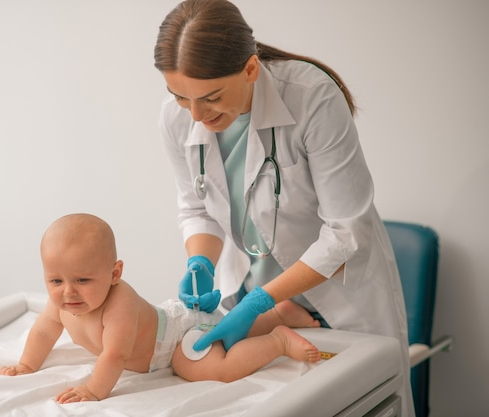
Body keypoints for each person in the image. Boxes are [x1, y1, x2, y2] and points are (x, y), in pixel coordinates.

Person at [153, 1, 414, 416]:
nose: (197, 115)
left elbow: (346, 232)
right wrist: (200, 260)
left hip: (337, 298)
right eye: (181, 97)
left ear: (251, 70)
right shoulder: (177, 117)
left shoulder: (311, 97)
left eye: (211, 98)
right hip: (252, 292)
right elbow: (198, 208)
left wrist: (261, 303)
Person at [0, 213, 320, 403]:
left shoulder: (119, 303)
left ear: (114, 274)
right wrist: (26, 365)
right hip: (174, 321)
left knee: (212, 368)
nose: (68, 292)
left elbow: (115, 355)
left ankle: (277, 339)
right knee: (228, 328)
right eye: (55, 281)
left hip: (176, 341)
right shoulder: (64, 305)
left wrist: (93, 391)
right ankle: (280, 313)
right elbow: (43, 330)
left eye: (82, 279)